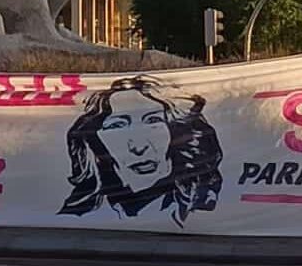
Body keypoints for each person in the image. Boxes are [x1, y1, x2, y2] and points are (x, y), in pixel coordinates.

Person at [58, 75, 223, 226]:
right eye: (117, 126)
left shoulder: (201, 207)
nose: (139, 147)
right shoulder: (79, 217)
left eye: (153, 121)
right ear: (94, 141)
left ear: (176, 131)